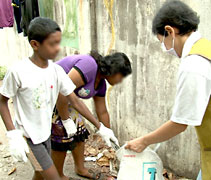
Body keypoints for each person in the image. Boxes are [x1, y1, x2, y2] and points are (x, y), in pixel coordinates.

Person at [0, 17, 119, 180]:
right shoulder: (18, 71)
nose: (57, 48)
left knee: (40, 175)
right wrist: (13, 135)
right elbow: (2, 100)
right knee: (52, 176)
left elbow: (74, 100)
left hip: (45, 134)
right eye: (52, 44)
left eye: (58, 42)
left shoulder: (56, 71)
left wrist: (101, 127)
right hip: (28, 137)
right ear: (35, 44)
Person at [125, 1, 211, 179]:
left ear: (170, 31)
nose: (164, 47)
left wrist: (143, 141)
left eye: (162, 40)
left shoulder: (194, 65)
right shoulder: (206, 48)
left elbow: (180, 123)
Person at [51, 51, 132, 180]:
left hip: (63, 99)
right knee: (61, 132)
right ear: (114, 70)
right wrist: (66, 120)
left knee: (79, 129)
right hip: (49, 93)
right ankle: (57, 175)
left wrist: (108, 132)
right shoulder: (89, 65)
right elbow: (62, 90)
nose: (120, 81)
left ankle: (80, 168)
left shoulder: (101, 84)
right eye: (121, 77)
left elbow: (102, 111)